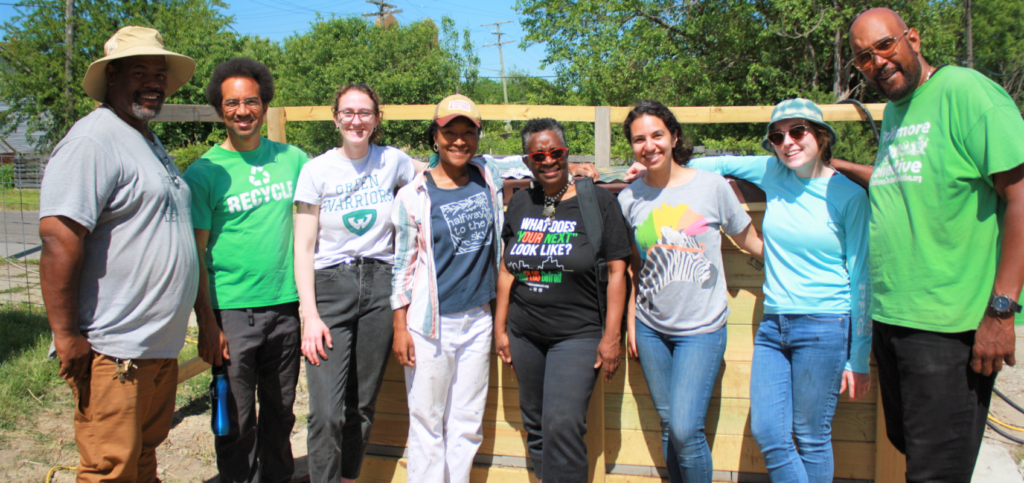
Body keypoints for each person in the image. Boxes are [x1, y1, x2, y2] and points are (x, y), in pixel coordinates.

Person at [843, 9, 1024, 482]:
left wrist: (1001, 312)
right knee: (910, 447)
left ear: (913, 39)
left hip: (948, 327)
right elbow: (905, 182)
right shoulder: (899, 109)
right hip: (894, 318)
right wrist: (837, 166)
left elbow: (1021, 197)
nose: (877, 62)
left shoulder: (966, 92)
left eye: (884, 46)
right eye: (864, 57)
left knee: (936, 472)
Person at [38, 26, 198, 483]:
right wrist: (66, 334)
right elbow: (58, 237)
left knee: (143, 458)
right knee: (111, 468)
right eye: (140, 71)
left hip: (155, 346)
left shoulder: (145, 137)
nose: (153, 81)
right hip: (114, 348)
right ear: (111, 77)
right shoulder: (94, 140)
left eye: (159, 73)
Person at [688, 98, 870, 483]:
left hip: (825, 325)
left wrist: (859, 357)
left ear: (821, 136)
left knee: (811, 437)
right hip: (773, 325)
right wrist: (656, 169)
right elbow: (713, 164)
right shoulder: (773, 172)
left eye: (798, 131)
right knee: (769, 433)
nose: (787, 142)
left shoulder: (848, 197)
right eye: (776, 136)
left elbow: (862, 278)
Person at [617, 100, 763, 483]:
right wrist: (632, 321)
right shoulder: (628, 199)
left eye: (657, 135)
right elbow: (635, 267)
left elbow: (749, 240)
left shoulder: (711, 187)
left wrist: (796, 264)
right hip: (650, 329)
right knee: (669, 428)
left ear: (674, 136)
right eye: (639, 139)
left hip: (701, 330)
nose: (649, 145)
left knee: (685, 430)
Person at [182, 57, 307, 483]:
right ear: (220, 110)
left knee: (281, 413)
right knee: (233, 419)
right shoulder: (204, 172)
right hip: (231, 314)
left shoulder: (294, 160)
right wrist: (205, 321)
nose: (242, 111)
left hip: (286, 309)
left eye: (251, 101)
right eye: (232, 103)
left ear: (264, 105)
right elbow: (195, 254)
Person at [493, 118, 632, 482]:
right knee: (537, 426)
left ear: (567, 154)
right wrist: (501, 329)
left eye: (556, 152)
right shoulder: (521, 202)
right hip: (525, 334)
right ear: (527, 161)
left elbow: (619, 272)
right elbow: (508, 269)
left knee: (564, 425)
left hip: (579, 334)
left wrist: (611, 336)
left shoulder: (598, 201)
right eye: (539, 155)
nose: (548, 160)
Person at [293, 83, 416, 483]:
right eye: (348, 112)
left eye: (365, 113)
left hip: (380, 284)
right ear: (335, 118)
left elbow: (444, 166)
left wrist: (573, 170)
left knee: (361, 405)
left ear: (377, 119)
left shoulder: (393, 161)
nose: (356, 120)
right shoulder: (315, 170)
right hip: (331, 285)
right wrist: (308, 314)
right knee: (325, 411)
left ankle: (348, 478)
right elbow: (303, 245)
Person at [391, 94, 504, 482]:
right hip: (430, 326)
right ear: (435, 137)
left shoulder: (487, 177)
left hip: (478, 320)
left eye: (467, 133)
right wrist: (399, 326)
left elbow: (535, 161)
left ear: (478, 136)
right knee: (427, 421)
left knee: (467, 421)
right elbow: (402, 266)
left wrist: (579, 166)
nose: (459, 141)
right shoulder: (413, 195)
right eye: (449, 133)